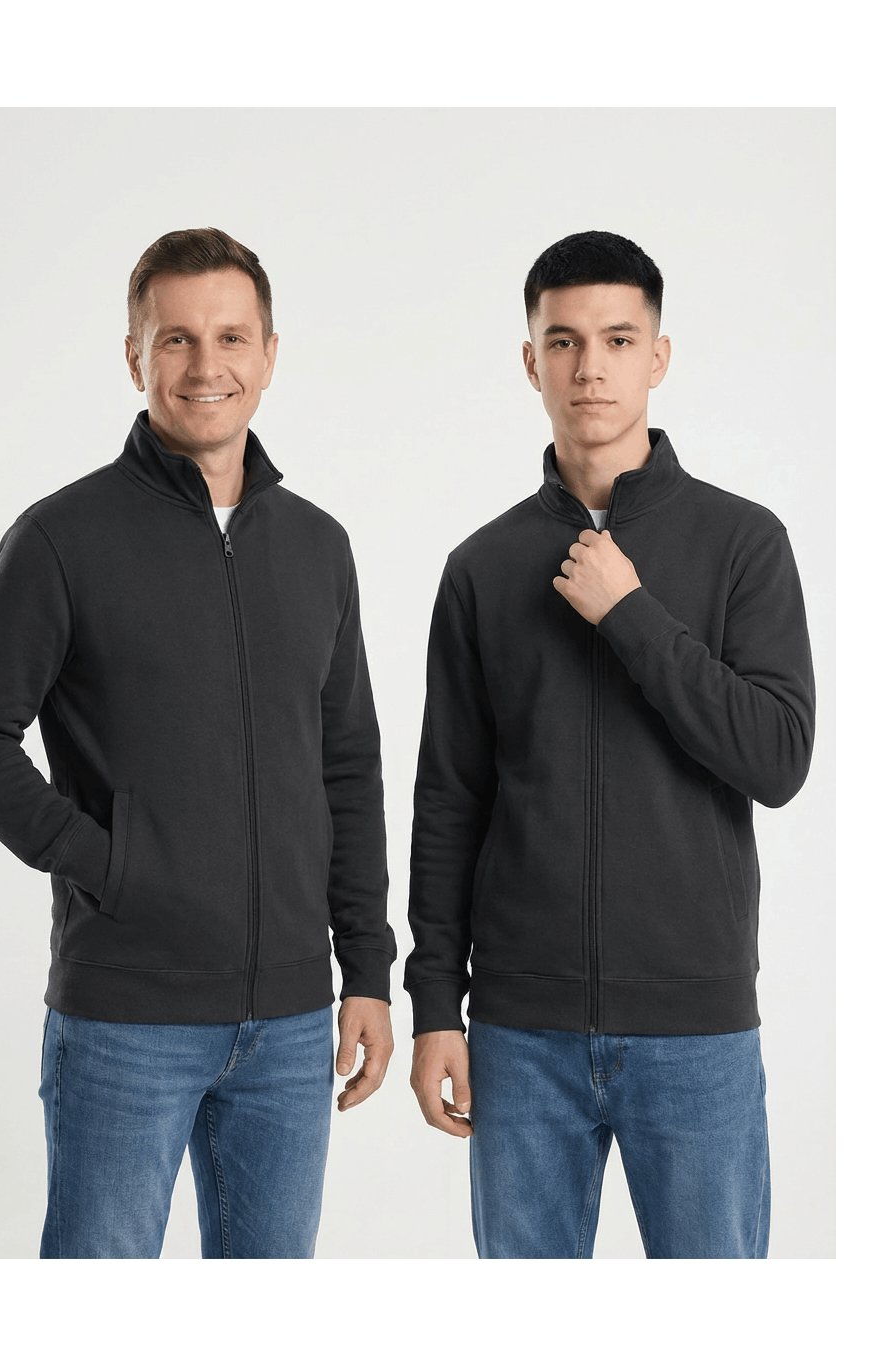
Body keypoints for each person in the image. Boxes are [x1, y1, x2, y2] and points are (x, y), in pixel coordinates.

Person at [0, 227, 396, 1259]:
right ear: (134, 355)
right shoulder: (62, 538)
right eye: (175, 338)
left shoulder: (318, 546)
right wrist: (108, 863)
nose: (204, 364)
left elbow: (346, 768)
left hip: (289, 1022)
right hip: (125, 1016)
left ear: (269, 353)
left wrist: (366, 966)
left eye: (230, 336)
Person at [404, 230, 814, 1259]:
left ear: (657, 358)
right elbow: (449, 801)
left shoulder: (743, 543)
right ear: (531, 361)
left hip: (696, 1029)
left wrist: (630, 613)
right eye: (564, 341)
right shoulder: (481, 567)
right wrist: (435, 1006)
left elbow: (777, 757)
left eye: (618, 340)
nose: (590, 366)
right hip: (519, 1033)